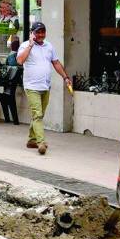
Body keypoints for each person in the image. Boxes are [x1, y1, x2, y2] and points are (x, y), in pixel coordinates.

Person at [16, 21, 71, 154]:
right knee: (38, 114)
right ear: (32, 33)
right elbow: (20, 61)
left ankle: (31, 139)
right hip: (31, 86)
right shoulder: (25, 46)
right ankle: (41, 142)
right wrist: (30, 45)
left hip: (45, 86)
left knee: (38, 115)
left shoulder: (49, 46)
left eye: (42, 32)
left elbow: (56, 63)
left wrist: (65, 77)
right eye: (38, 32)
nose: (41, 35)